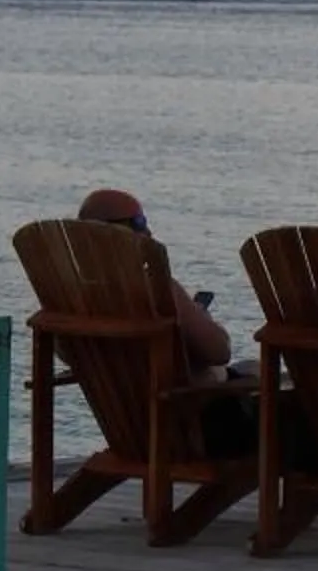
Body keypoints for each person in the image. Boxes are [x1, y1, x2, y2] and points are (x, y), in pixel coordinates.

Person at [77, 187, 258, 457]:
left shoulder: (69, 300)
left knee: (253, 370)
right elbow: (219, 351)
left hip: (126, 428)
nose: (148, 233)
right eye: (139, 223)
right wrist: (198, 316)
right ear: (112, 233)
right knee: (287, 405)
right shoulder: (159, 290)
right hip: (190, 428)